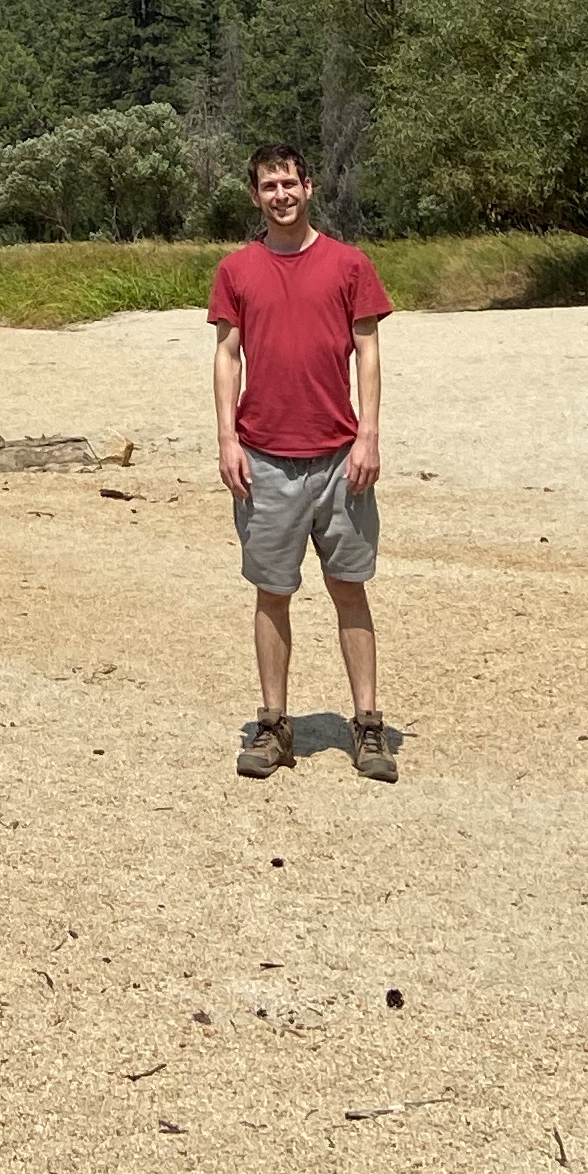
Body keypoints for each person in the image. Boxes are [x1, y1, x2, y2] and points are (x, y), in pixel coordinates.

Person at [209, 141, 398, 783]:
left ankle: (368, 727)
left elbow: (367, 350)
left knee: (350, 587)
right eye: (269, 187)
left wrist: (369, 434)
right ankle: (273, 726)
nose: (281, 195)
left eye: (290, 183)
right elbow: (226, 356)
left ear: (309, 187)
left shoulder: (349, 265)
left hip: (341, 455)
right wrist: (227, 438)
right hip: (264, 458)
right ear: (256, 196)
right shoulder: (236, 270)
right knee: (272, 592)